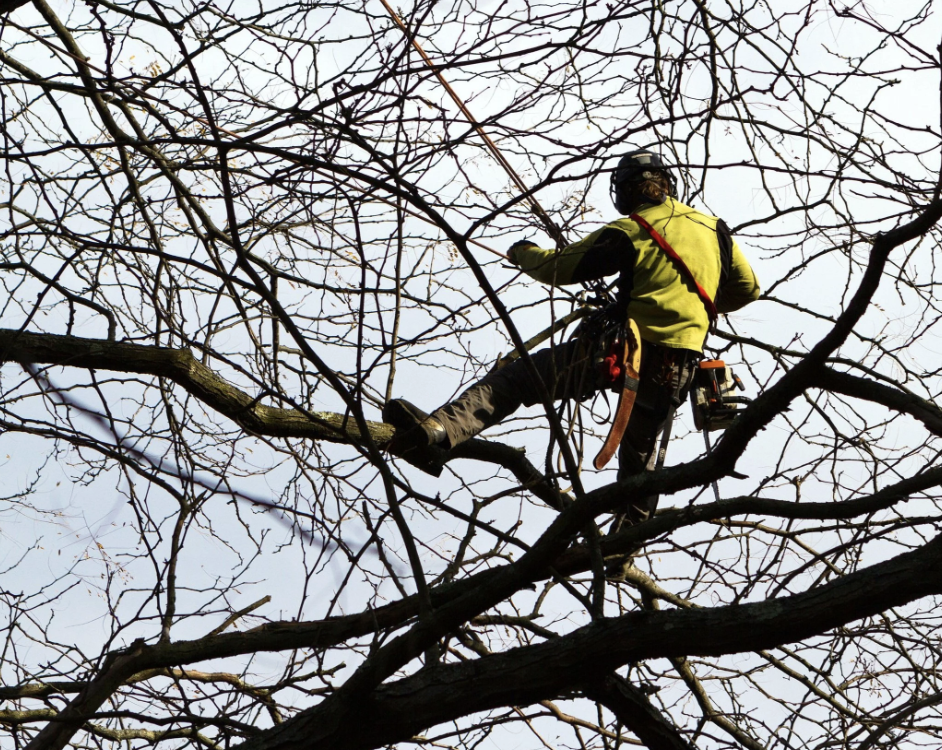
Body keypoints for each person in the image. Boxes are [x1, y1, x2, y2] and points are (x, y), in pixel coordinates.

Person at [384, 149, 760, 530]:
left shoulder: (632, 230)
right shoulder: (716, 229)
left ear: (627, 193)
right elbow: (748, 289)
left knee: (518, 380)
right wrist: (699, 304)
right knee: (641, 465)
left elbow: (558, 267)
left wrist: (524, 254)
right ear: (667, 184)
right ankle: (624, 543)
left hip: (620, 353)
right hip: (676, 369)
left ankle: (438, 431)